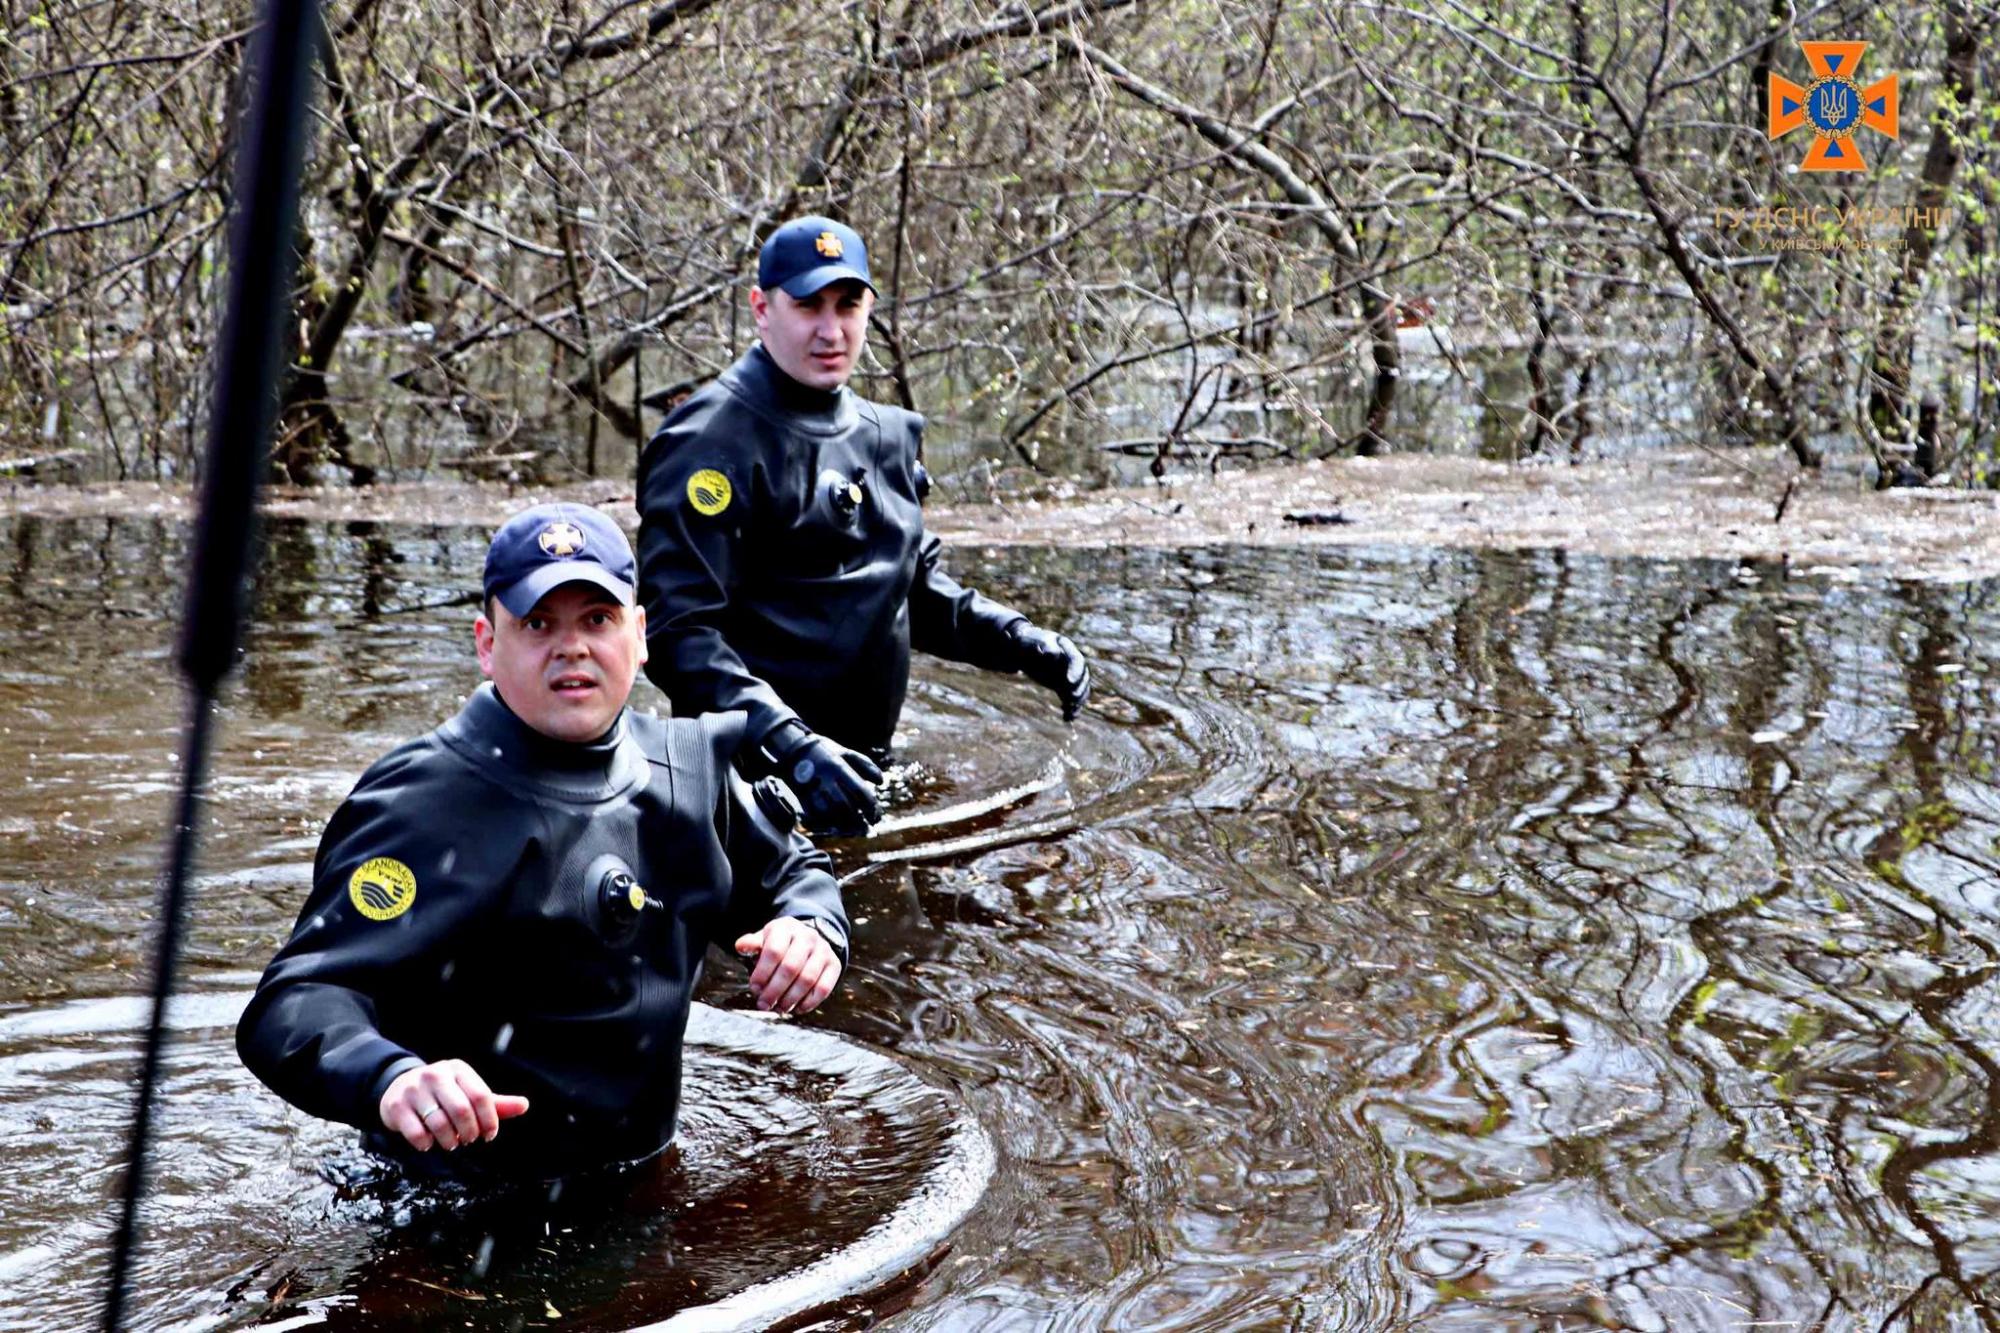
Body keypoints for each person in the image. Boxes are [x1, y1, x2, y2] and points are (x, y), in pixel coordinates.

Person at [237, 502, 848, 1183]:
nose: (573, 647)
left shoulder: (691, 769)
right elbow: (295, 1001)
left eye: (598, 618)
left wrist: (810, 928)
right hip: (453, 1211)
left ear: (640, 633)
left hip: (646, 1180)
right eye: (537, 623)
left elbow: (795, 872)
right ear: (486, 643)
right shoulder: (422, 802)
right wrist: (391, 1077)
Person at [636, 215, 1091, 838]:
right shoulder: (706, 442)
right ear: (762, 308)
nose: (831, 330)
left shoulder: (888, 436)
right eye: (808, 306)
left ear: (870, 307)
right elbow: (676, 632)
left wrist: (1021, 642)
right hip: (743, 788)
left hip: (864, 774)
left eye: (848, 305)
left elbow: (911, 595)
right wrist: (791, 747)